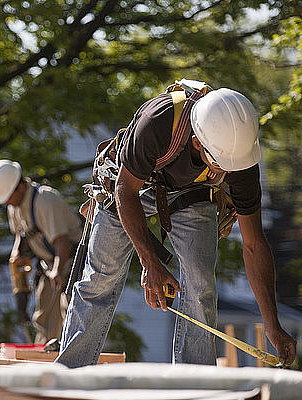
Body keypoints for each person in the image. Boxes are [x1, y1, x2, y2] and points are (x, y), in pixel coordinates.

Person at [56, 80, 297, 367]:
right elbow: (125, 191)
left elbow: (254, 244)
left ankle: (194, 382)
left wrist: (272, 323)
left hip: (191, 193)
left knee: (200, 283)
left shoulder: (238, 155)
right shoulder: (157, 122)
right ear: (198, 142)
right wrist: (151, 264)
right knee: (100, 278)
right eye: (221, 165)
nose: (228, 171)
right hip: (132, 187)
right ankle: (69, 372)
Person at [0, 160, 82, 343]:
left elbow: (62, 241)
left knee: (71, 314)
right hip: (50, 265)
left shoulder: (45, 200)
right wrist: (17, 254)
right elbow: (22, 234)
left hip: (72, 261)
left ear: (20, 186)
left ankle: (75, 364)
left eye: (7, 197)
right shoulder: (14, 206)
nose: (6, 203)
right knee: (43, 319)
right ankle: (44, 364)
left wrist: (57, 271)